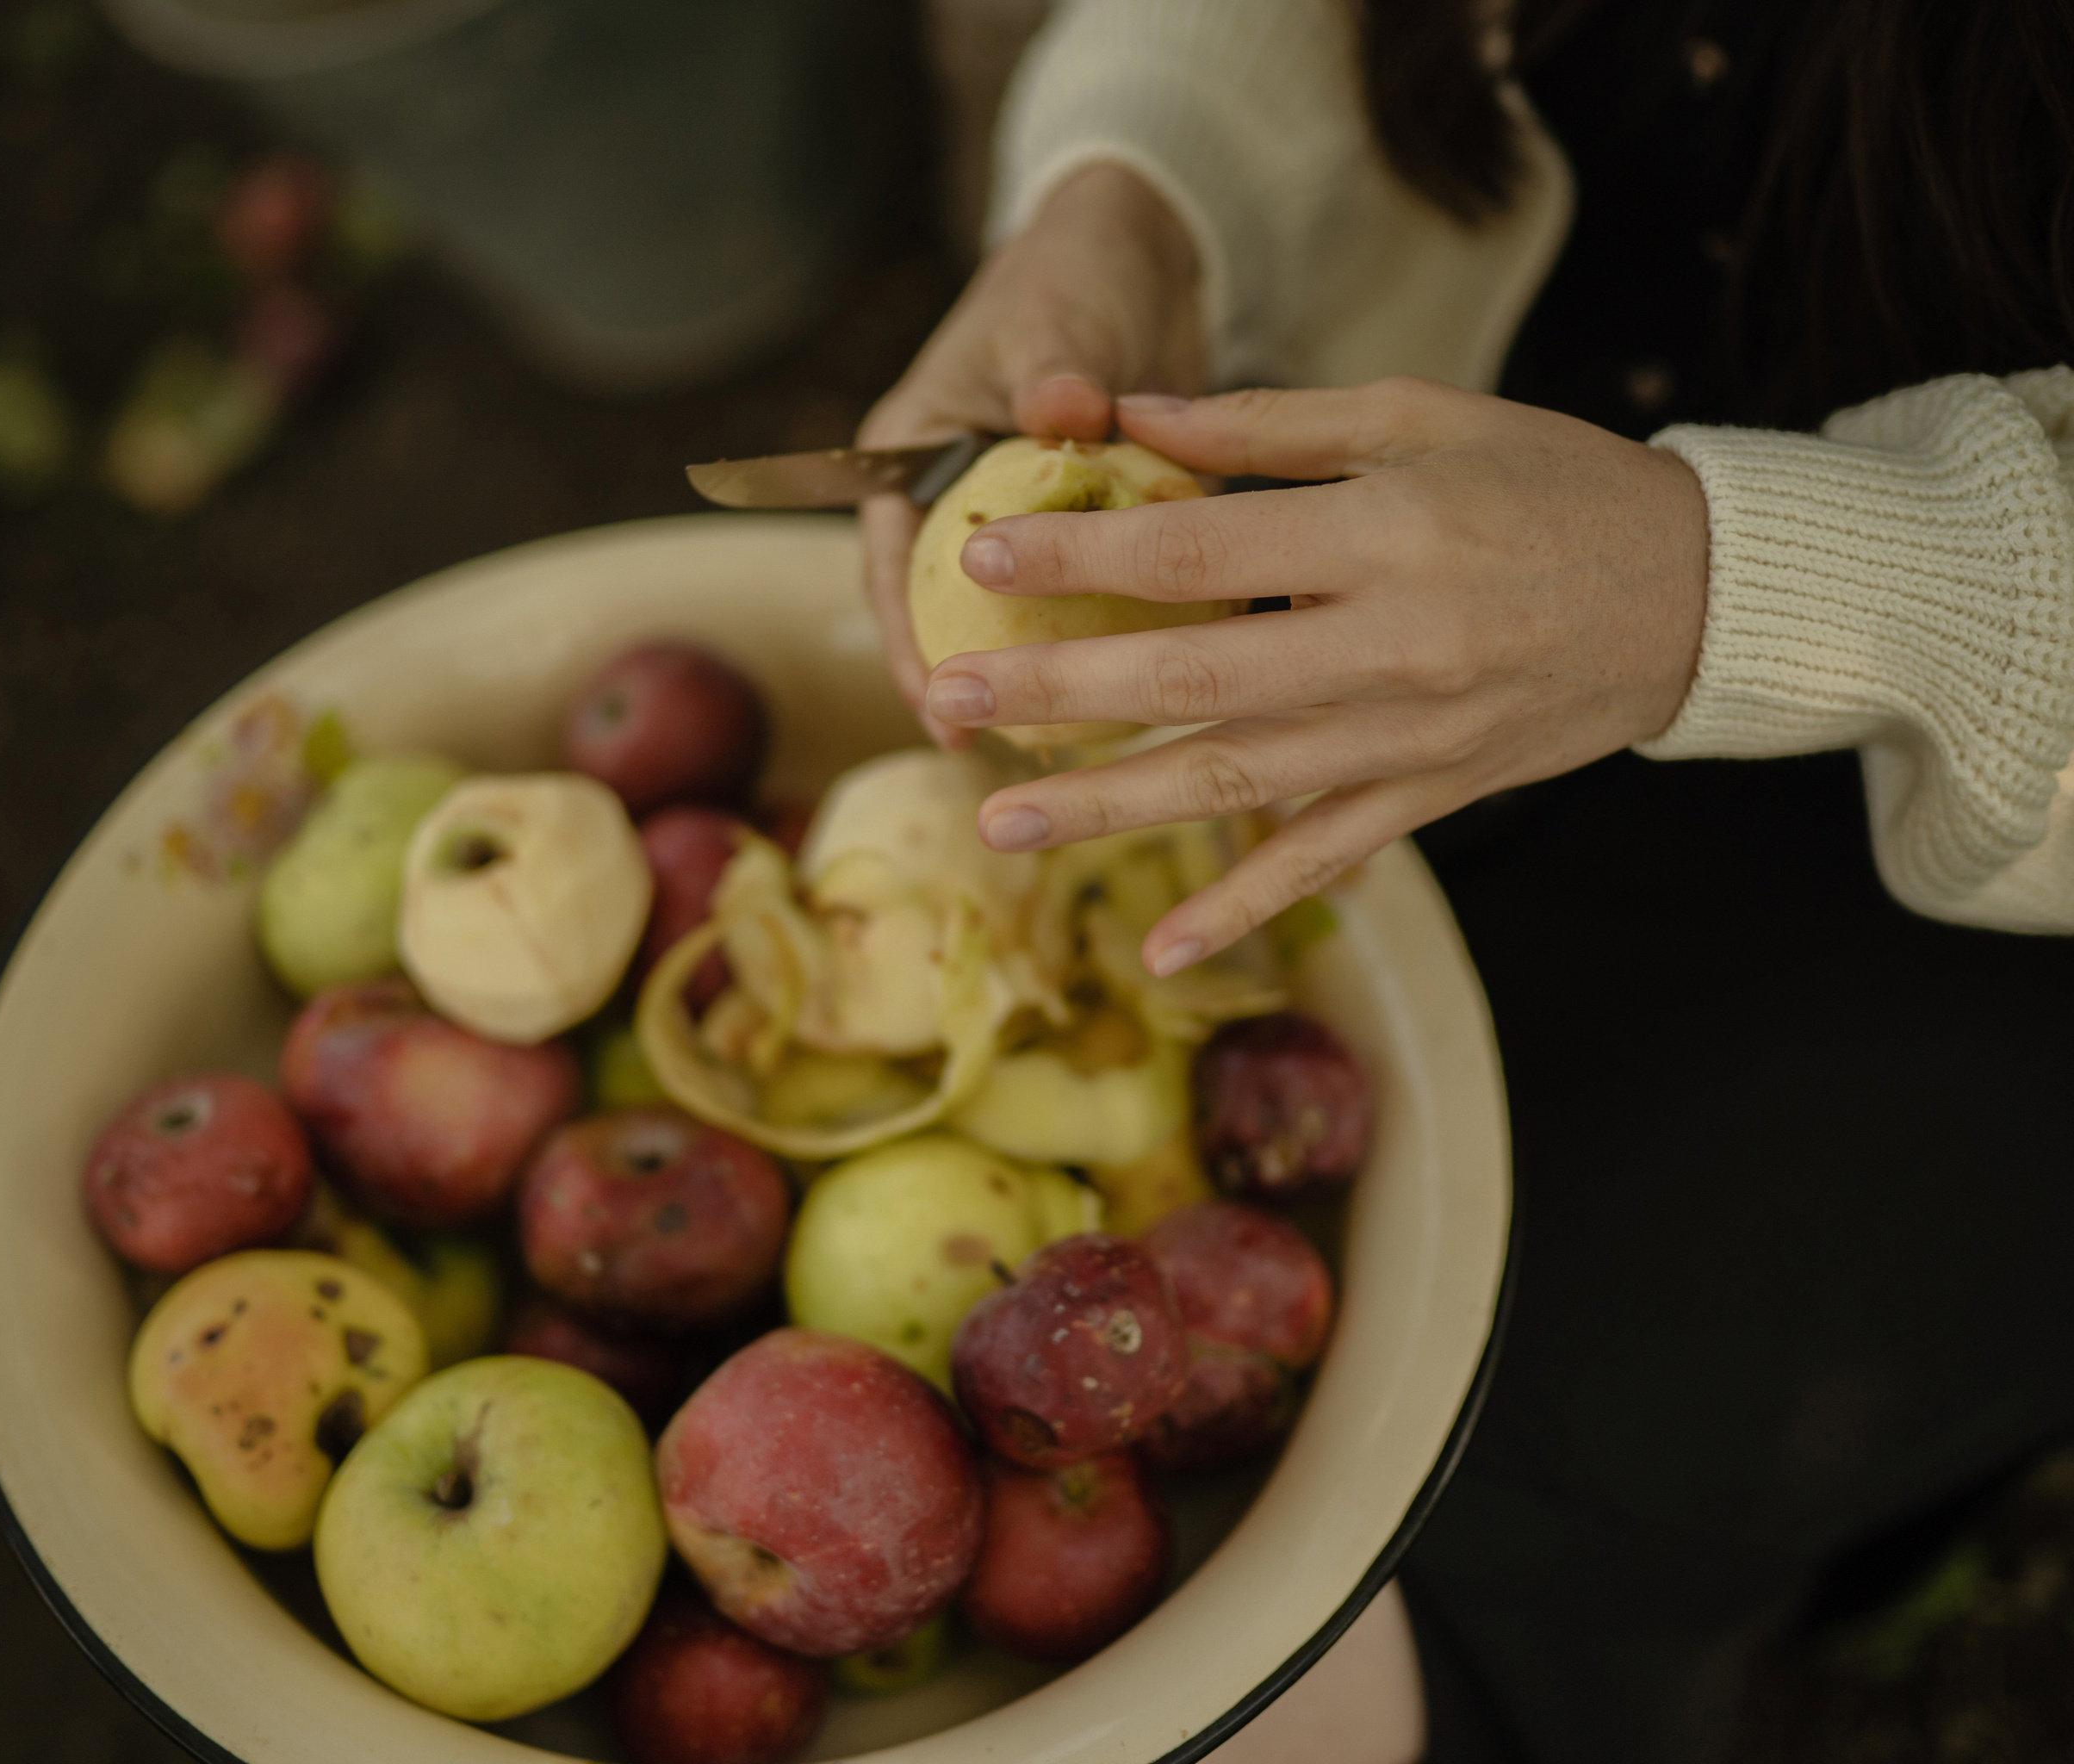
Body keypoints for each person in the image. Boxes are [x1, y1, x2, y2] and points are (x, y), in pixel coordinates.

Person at [858, 3, 2074, 1761]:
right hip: (1427, 532)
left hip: (1987, 851)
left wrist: (1733, 588)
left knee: (1560, 1391)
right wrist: (1146, 185)